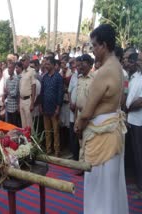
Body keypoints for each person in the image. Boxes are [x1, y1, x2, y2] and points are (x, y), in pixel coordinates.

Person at [74, 24, 128, 214]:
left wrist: (78, 126)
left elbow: (87, 112)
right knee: (111, 187)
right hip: (112, 132)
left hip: (101, 135)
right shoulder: (118, 67)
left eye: (94, 46)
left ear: (104, 45)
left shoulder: (103, 72)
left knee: (99, 187)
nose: (93, 50)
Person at [124, 51, 142, 199]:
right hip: (131, 120)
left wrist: (128, 107)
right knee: (133, 153)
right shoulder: (136, 76)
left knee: (140, 154)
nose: (138, 62)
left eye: (140, 60)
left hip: (139, 122)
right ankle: (137, 182)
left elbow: (141, 101)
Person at [39, 56, 64, 157]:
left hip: (54, 109)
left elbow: (60, 93)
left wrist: (58, 107)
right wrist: (40, 105)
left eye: (48, 64)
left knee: (56, 131)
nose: (46, 65)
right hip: (45, 108)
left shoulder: (58, 77)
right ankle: (49, 149)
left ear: (53, 65)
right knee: (47, 131)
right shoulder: (44, 77)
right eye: (45, 64)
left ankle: (57, 150)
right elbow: (42, 92)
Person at [19, 54, 36, 128]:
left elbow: (34, 86)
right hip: (21, 100)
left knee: (29, 125)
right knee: (23, 125)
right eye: (22, 61)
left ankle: (30, 140)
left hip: (28, 100)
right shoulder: (22, 73)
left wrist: (32, 103)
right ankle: (25, 139)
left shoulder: (32, 71)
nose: (22, 62)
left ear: (28, 61)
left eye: (24, 60)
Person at [3, 62, 20, 126]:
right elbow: (6, 93)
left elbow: (15, 93)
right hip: (8, 106)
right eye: (8, 68)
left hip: (14, 107)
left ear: (13, 69)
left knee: (14, 125)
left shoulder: (16, 79)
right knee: (9, 125)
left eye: (10, 68)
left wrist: (8, 92)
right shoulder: (7, 80)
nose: (8, 70)